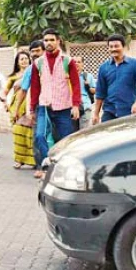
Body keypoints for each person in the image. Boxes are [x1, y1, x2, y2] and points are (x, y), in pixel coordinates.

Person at [29, 29, 81, 178]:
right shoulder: (38, 63)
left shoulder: (67, 60)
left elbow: (76, 84)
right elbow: (35, 87)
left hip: (64, 107)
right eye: (46, 40)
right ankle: (47, 165)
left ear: (58, 41)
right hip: (44, 106)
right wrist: (32, 109)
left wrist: (76, 105)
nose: (49, 43)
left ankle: (66, 169)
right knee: (40, 136)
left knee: (65, 140)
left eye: (52, 40)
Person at [93, 35, 136, 124]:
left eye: (116, 46)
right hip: (109, 111)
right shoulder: (104, 67)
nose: (113, 49)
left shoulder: (134, 64)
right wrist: (96, 114)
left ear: (123, 47)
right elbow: (100, 92)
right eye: (111, 47)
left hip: (129, 110)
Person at [6, 51, 35, 169]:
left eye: (26, 58)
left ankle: (33, 160)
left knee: (30, 134)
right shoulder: (13, 77)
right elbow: (5, 92)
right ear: (17, 62)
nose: (24, 61)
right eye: (21, 59)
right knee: (18, 133)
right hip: (17, 107)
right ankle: (19, 160)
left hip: (30, 106)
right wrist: (5, 102)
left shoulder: (34, 72)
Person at [73, 56, 96, 131]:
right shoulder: (68, 76)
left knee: (83, 131)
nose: (76, 64)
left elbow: (95, 90)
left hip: (85, 106)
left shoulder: (88, 76)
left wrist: (88, 86)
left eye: (79, 62)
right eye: (74, 62)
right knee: (72, 132)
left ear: (82, 64)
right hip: (72, 107)